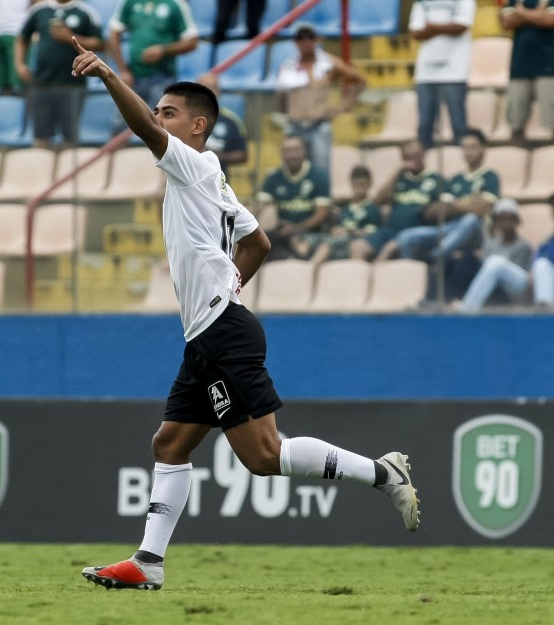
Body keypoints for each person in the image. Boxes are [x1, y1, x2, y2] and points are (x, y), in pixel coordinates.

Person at [70, 37, 420, 591]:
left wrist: (111, 76)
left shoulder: (191, 165)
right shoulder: (213, 182)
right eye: (159, 110)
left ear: (197, 127)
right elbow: (259, 243)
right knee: (169, 444)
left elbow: (144, 131)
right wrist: (229, 286)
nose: (159, 118)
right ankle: (147, 563)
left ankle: (383, 472)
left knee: (263, 455)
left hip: (223, 333)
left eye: (169, 112)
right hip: (209, 330)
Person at [275, 23, 366, 179]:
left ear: (317, 40)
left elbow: (360, 80)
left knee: (321, 172)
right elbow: (281, 98)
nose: (305, 42)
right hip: (295, 126)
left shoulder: (329, 63)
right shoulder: (288, 67)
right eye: (300, 38)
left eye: (309, 37)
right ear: (295, 42)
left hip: (319, 126)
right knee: (291, 173)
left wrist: (343, 107)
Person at [397, 128, 498, 264]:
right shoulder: (455, 179)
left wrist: (455, 205)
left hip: (477, 232)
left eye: (473, 147)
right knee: (406, 237)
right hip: (451, 229)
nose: (469, 152)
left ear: (483, 148)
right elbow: (441, 210)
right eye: (465, 147)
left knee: (470, 219)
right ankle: (412, 278)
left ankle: (435, 256)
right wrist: (468, 202)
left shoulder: (490, 177)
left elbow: (481, 209)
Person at [15, 0, 104, 148]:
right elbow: (22, 38)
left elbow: (100, 44)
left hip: (73, 85)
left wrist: (71, 37)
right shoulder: (39, 10)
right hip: (41, 84)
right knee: (40, 138)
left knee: (69, 139)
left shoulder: (85, 12)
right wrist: (20, 65)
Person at [350, 139, 443, 262]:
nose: (413, 160)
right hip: (390, 231)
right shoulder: (399, 179)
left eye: (416, 155)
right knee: (357, 247)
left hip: (415, 233)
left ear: (424, 154)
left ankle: (374, 279)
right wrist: (398, 170)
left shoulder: (435, 179)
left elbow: (443, 209)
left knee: (389, 249)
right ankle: (359, 280)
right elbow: (377, 201)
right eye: (408, 156)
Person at [107, 0, 198, 109]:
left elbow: (192, 42)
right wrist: (123, 70)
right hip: (133, 77)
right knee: (124, 123)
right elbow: (113, 34)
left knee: (161, 122)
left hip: (162, 77)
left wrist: (164, 50)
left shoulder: (176, 4)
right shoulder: (129, 2)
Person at [409, 0, 475, 149]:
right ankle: (427, 169)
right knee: (424, 126)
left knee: (459, 125)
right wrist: (446, 27)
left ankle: (461, 168)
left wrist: (431, 26)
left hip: (455, 71)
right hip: (426, 73)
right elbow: (416, 32)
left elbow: (461, 26)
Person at [255, 134, 331, 260]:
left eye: (296, 150)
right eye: (287, 151)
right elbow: (259, 207)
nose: (291, 155)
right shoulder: (273, 177)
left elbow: (322, 214)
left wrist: (296, 228)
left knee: (299, 245)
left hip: (309, 233)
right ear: (281, 153)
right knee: (257, 245)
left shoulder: (319, 176)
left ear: (304, 151)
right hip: (279, 232)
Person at [456, 198, 535, 313]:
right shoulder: (490, 244)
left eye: (510, 219)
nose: (507, 223)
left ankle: (467, 309)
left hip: (520, 292)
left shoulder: (524, 245)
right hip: (495, 291)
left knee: (496, 262)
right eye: (502, 219)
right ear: (496, 222)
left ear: (517, 221)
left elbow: (520, 276)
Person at [500, 0, 554, 145]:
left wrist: (522, 13)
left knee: (550, 123)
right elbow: (507, 21)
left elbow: (550, 20)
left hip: (549, 65)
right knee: (516, 123)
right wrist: (537, 14)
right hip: (520, 65)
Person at [308, 165, 381, 264]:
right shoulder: (345, 207)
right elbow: (337, 226)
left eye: (362, 184)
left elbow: (371, 233)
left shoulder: (372, 208)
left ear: (369, 184)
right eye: (356, 184)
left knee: (327, 245)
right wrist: (335, 230)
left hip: (352, 241)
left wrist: (350, 231)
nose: (359, 188)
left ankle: (310, 270)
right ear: (351, 183)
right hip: (337, 239)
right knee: (306, 241)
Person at [197, 72, 247, 178]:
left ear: (219, 91)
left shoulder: (232, 122)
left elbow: (243, 155)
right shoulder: (183, 119)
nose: (209, 92)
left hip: (218, 183)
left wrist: (217, 156)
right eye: (204, 88)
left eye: (213, 88)